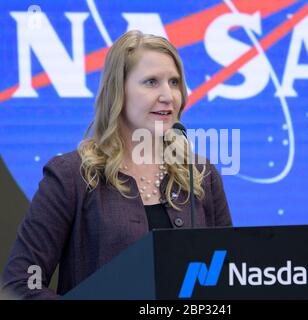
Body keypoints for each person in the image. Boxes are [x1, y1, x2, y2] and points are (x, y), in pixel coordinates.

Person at [1, 30, 232, 299]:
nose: (168, 95)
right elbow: (19, 283)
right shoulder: (71, 176)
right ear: (118, 91)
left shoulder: (201, 175)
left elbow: (227, 279)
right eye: (151, 82)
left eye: (174, 82)